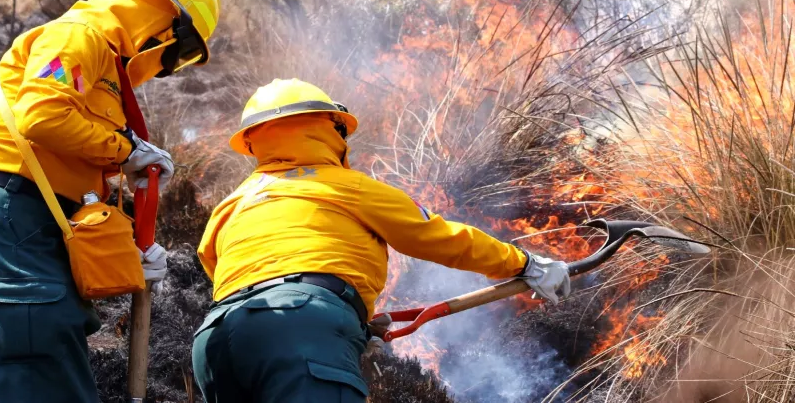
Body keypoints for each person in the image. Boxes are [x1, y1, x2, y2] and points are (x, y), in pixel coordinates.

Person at [0, 0, 221, 403]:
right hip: (7, 225)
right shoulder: (78, 36)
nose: (168, 68)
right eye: (180, 55)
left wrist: (128, 252)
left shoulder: (101, 62)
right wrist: (126, 151)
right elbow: (42, 117)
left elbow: (67, 184)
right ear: (169, 27)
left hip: (12, 228)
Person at [192, 78, 571, 402]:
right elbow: (436, 237)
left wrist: (347, 321)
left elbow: (232, 276)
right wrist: (525, 264)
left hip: (215, 339)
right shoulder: (347, 186)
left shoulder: (232, 203)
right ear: (329, 128)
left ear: (254, 141)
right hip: (300, 328)